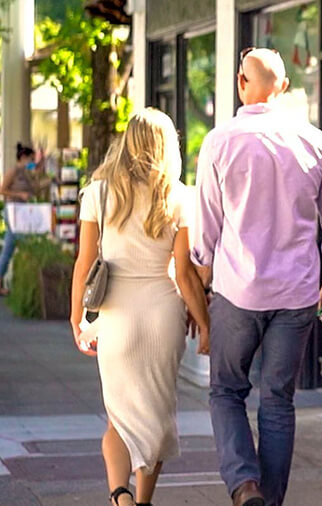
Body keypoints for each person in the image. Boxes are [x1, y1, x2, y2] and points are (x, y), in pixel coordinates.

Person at [192, 47, 322, 506]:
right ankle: (271, 500)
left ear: (241, 84)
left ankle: (245, 486)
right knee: (278, 400)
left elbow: (205, 232)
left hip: (237, 293)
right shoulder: (313, 141)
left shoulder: (220, 142)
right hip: (297, 294)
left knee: (226, 391)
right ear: (283, 87)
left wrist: (199, 290)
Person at [69, 109, 211, 506]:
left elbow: (84, 262)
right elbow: (185, 273)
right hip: (163, 315)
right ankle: (143, 501)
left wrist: (77, 316)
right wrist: (205, 324)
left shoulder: (98, 193)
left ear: (127, 142)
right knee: (155, 419)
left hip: (116, 317)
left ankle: (120, 496)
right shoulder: (179, 197)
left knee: (119, 419)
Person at [0, 142, 44, 296]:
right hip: (14, 211)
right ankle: (17, 281)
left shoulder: (27, 173)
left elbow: (36, 188)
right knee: (22, 242)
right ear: (23, 157)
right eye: (31, 159)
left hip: (24, 212)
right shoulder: (13, 172)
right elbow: (1, 191)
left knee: (9, 245)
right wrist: (19, 195)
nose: (32, 162)